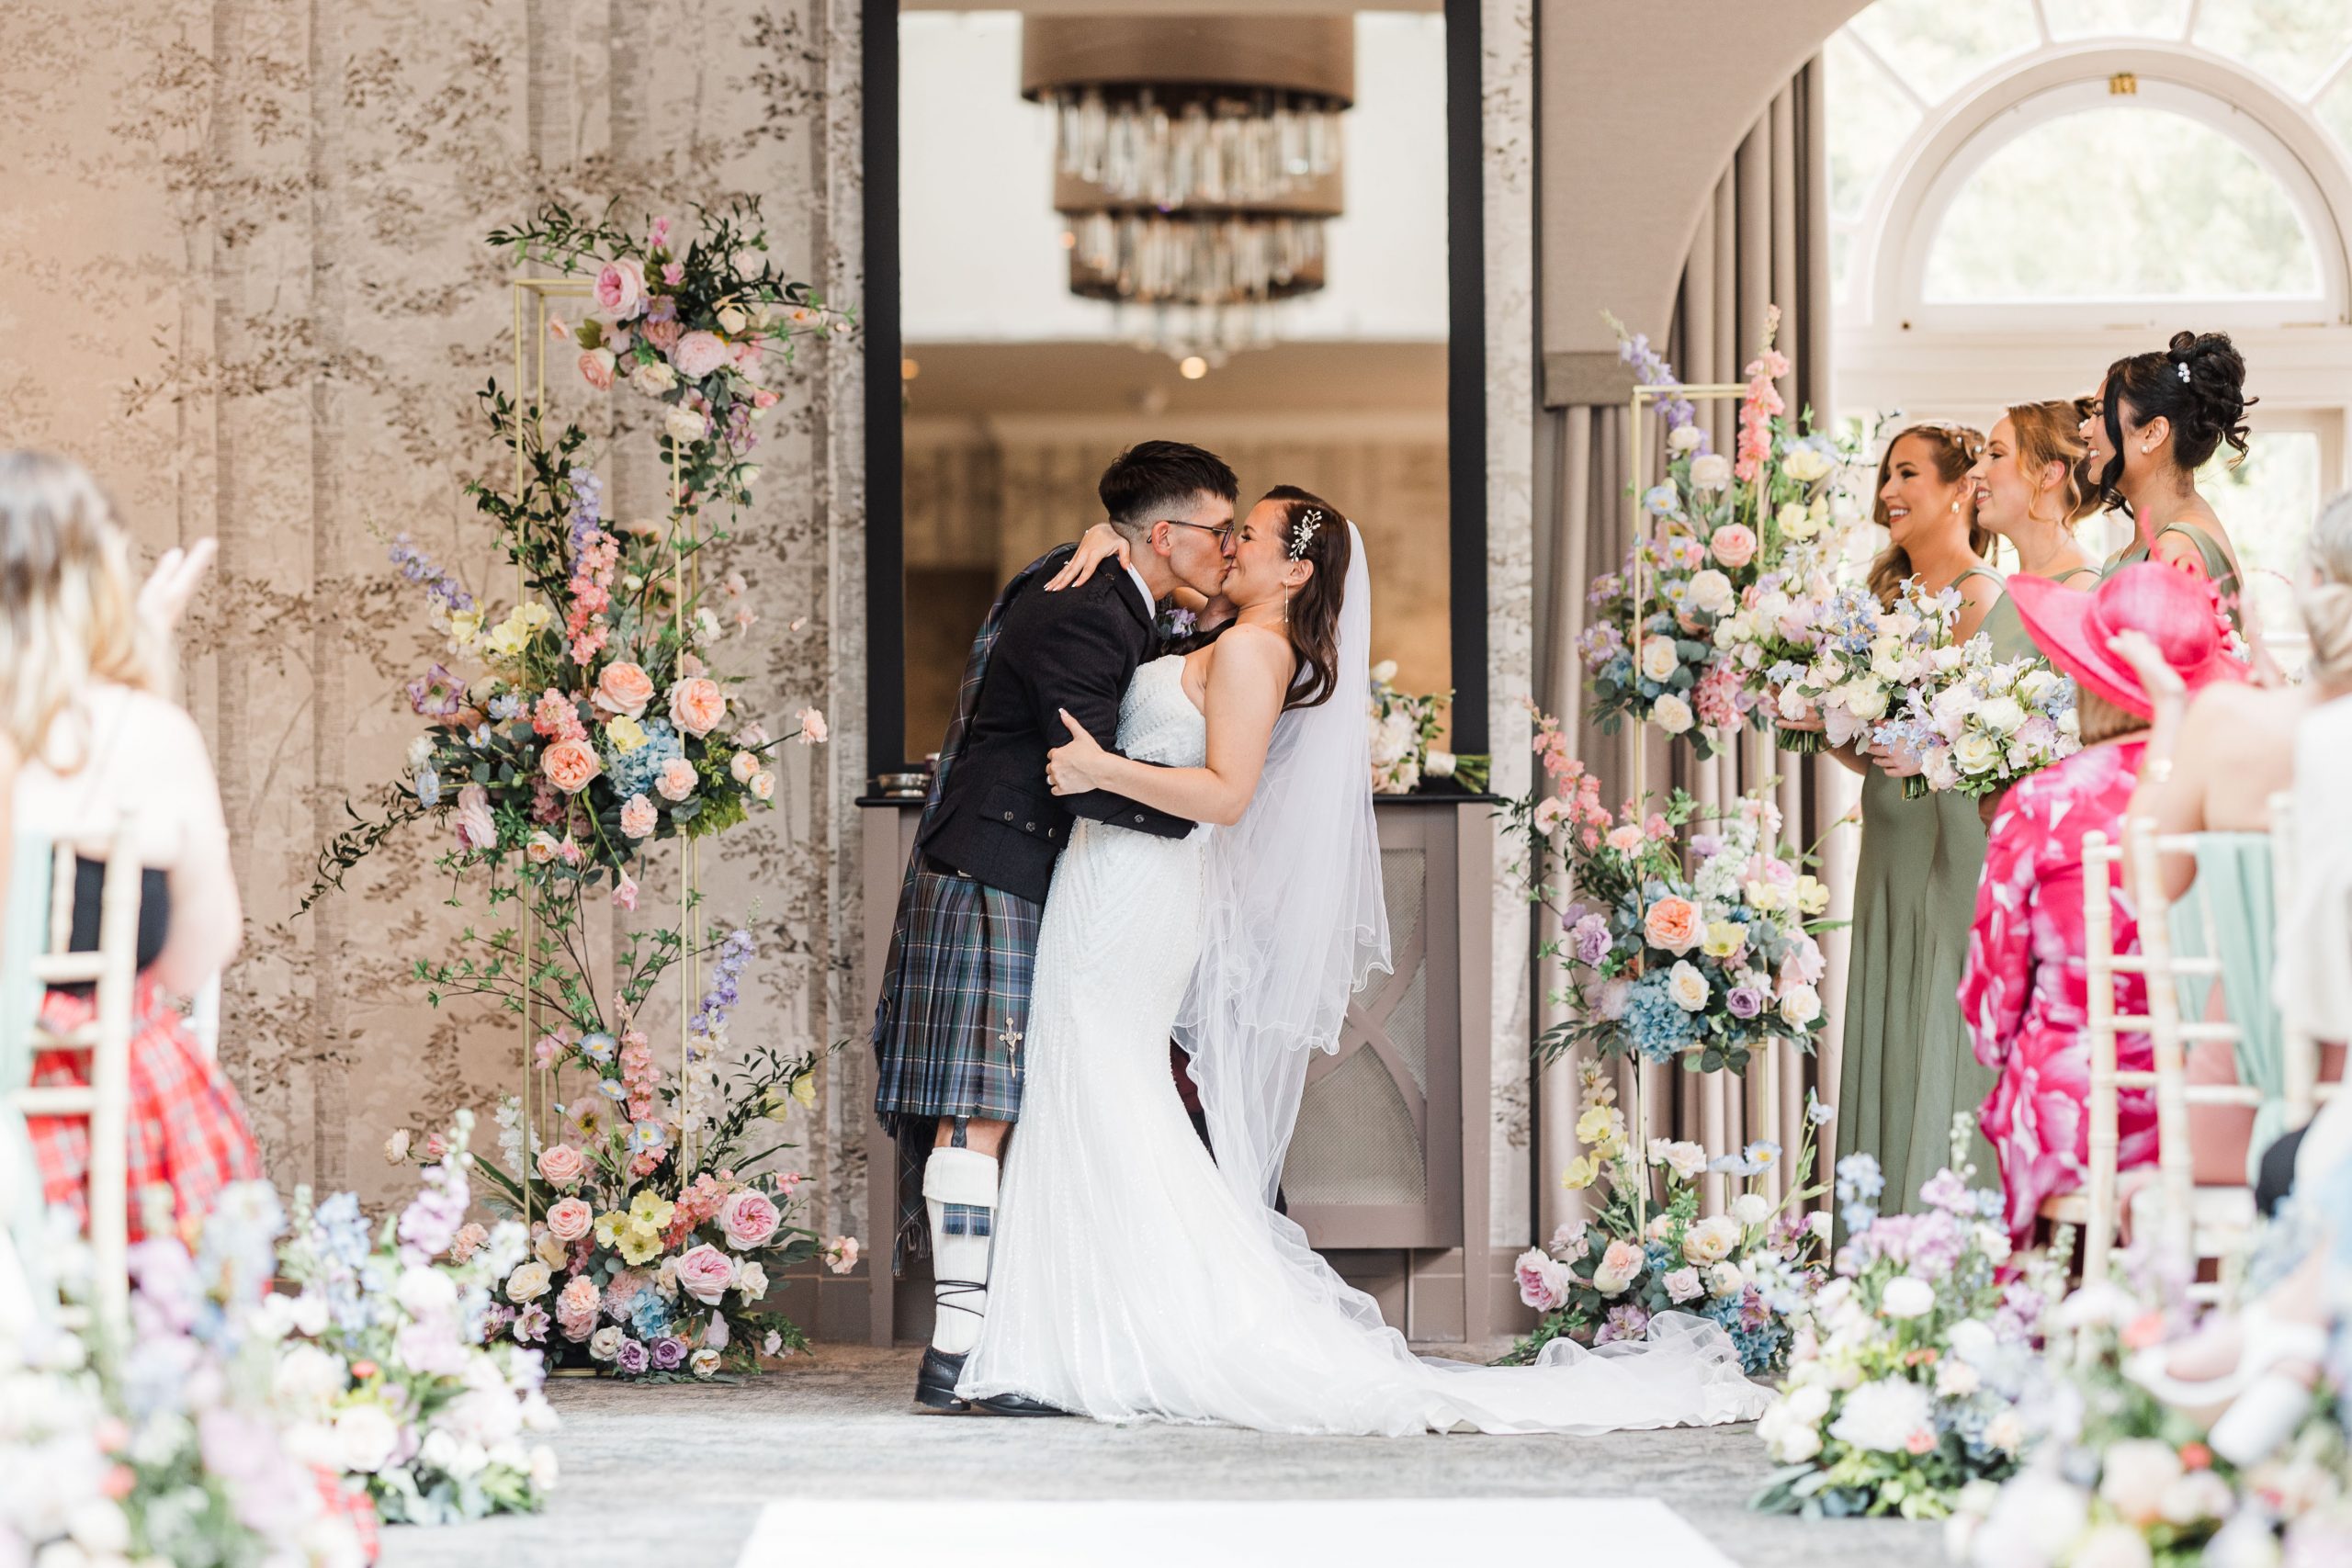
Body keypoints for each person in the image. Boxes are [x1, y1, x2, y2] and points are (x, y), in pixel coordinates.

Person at [955, 487, 1768, 1434]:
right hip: (1109, 879)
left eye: (1246, 535)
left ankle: (1095, 1339)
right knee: (1086, 1082)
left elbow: (1225, 795)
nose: (1228, 544)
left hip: (1136, 890)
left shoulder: (1257, 650)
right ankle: (1083, 1331)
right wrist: (1105, 537)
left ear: (1294, 569)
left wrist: (1103, 771)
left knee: (1091, 1079)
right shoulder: (1220, 635)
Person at [869, 440, 1234, 1414]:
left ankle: (1015, 1338)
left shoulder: (1121, 594)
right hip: (996, 867)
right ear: (1165, 535)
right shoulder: (1084, 602)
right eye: (1218, 532)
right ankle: (955, 1357)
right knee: (976, 1109)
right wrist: (1198, 812)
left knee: (1031, 1104)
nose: (1229, 550)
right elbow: (1078, 768)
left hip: (1039, 874)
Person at [2, 450, 258, 1242]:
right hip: (76, 1146)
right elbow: (194, 960)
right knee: (147, 1039)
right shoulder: (145, 734)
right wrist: (137, 682)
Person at [1959, 564, 2247, 1254]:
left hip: (2079, 1109)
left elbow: (1993, 1009)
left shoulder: (2040, 802)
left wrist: (2012, 1045)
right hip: (2214, 1104)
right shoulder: (2231, 797)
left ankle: (2052, 1313)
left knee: (2033, 1065)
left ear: (2087, 672)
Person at [2105, 491, 2352, 1183]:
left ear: (2313, 589)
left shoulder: (2229, 723)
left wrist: (2173, 715)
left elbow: (2146, 880)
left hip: (2234, 1106)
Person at [1804, 423, 2017, 1214]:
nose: (1889, 492)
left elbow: (1969, 745)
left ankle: (1934, 1221)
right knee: (1885, 1029)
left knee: (1929, 1017)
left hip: (1944, 840)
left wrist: (1907, 748)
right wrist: (1824, 718)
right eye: (1886, 476)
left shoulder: (1979, 598)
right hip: (1889, 835)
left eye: (1908, 474)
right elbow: (1881, 748)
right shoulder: (1886, 592)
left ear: (1960, 488)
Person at [2083, 332, 2256, 630]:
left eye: (2099, 414)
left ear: (2153, 432)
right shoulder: (2163, 540)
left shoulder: (2177, 550)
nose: (2086, 431)